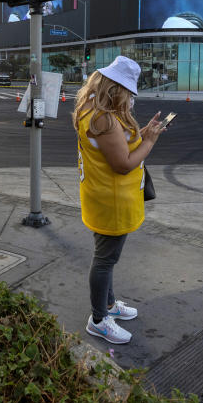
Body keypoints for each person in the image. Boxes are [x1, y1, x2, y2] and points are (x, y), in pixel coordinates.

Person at [73, 56, 166, 344]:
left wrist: (141, 132)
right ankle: (99, 319)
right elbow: (123, 163)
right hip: (112, 201)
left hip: (100, 196)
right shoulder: (105, 119)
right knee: (104, 260)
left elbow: (113, 148)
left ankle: (109, 305)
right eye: (128, 92)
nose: (129, 99)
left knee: (106, 257)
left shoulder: (89, 108)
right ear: (117, 88)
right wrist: (149, 141)